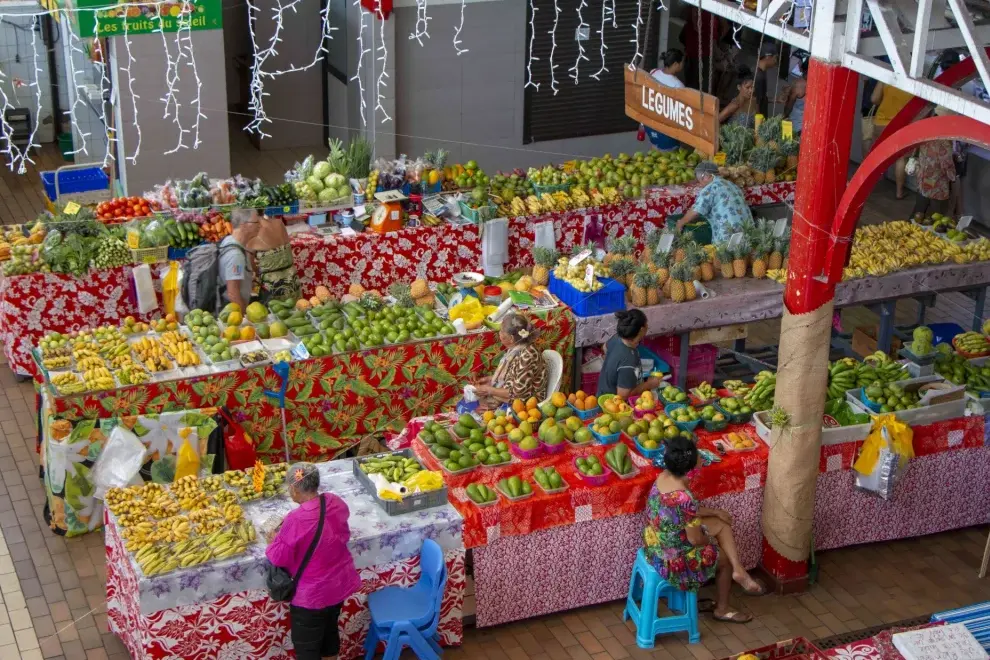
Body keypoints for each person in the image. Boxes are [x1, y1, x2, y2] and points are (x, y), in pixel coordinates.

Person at [643, 435, 765, 624]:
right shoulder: (684, 497)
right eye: (698, 454)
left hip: (659, 540)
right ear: (690, 464)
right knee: (723, 559)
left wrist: (715, 513)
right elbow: (695, 540)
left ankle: (740, 571)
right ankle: (723, 608)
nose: (702, 457)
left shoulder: (664, 477)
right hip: (671, 558)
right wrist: (711, 539)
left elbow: (687, 511)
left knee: (722, 523)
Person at [266, 463, 360, 660]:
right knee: (329, 634)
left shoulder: (296, 519)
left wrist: (274, 539)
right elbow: (341, 533)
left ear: (293, 488)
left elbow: (278, 557)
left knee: (307, 648)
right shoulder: (334, 501)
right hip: (337, 585)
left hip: (311, 596)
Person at [472, 313, 548, 408]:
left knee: (477, 409)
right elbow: (512, 375)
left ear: (511, 338)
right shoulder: (516, 348)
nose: (499, 333)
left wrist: (489, 390)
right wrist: (490, 379)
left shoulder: (528, 356)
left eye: (501, 331)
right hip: (515, 392)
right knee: (475, 399)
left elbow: (517, 393)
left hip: (527, 401)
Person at [676, 161, 752, 243]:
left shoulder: (711, 187)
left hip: (729, 236)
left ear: (706, 176)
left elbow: (696, 210)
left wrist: (681, 223)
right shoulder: (732, 184)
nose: (701, 184)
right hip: (748, 232)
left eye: (700, 180)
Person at [597, 309, 662, 397]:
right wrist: (648, 384)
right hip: (613, 406)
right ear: (642, 330)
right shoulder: (628, 361)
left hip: (602, 392)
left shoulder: (617, 337)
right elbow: (623, 396)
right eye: (646, 323)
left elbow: (604, 347)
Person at [869, 82, 913, 197]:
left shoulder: (888, 77)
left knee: (877, 155)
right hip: (903, 124)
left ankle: (870, 187)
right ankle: (899, 192)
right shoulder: (915, 80)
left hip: (882, 122)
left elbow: (874, 99)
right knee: (901, 159)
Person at [247, 214, 302, 304]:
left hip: (273, 287)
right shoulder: (279, 223)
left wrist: (256, 271)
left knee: (277, 315)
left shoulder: (254, 231)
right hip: (292, 280)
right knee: (297, 315)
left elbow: (250, 264)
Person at [644, 49, 687, 153]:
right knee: (668, 159)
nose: (683, 65)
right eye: (682, 62)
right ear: (676, 64)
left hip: (650, 124)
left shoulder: (654, 72)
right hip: (666, 130)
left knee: (654, 153)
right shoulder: (678, 85)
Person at [220, 209, 260, 310]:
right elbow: (233, 293)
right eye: (256, 222)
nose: (260, 225)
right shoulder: (236, 256)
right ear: (244, 225)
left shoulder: (230, 240)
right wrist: (242, 317)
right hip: (231, 310)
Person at [753, 42, 779, 118]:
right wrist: (759, 125)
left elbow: (761, 98)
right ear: (768, 57)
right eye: (775, 57)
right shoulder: (759, 76)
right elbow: (756, 103)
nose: (776, 61)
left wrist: (776, 100)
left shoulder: (762, 72)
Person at [784, 58, 808, 137]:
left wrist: (784, 116)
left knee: (787, 141)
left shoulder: (798, 84)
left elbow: (789, 105)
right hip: (807, 125)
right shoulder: (818, 85)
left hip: (795, 123)